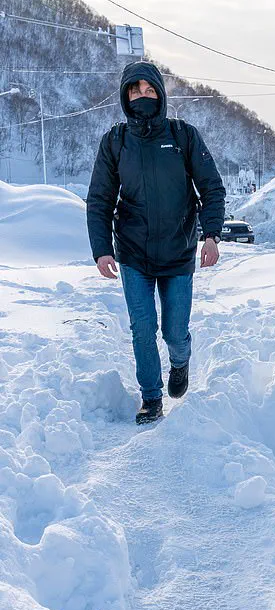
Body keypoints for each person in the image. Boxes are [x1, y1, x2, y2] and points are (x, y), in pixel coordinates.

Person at [86, 61, 226, 424]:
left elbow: (211, 188)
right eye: (135, 91)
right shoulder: (115, 141)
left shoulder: (183, 136)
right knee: (142, 327)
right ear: (125, 96)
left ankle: (180, 362)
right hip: (133, 252)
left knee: (174, 331)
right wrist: (101, 248)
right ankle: (151, 398)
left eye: (149, 90)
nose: (142, 97)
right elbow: (100, 198)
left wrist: (210, 235)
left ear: (161, 94)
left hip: (179, 251)